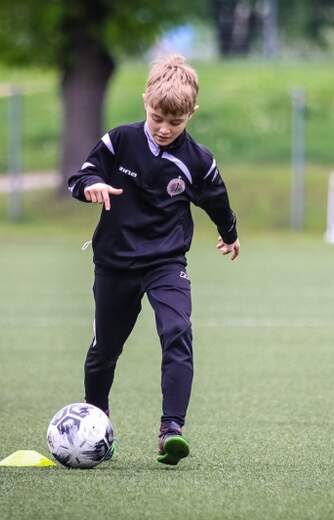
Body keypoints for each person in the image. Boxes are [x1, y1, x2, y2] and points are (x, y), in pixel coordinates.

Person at [68, 55, 240, 464]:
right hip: (115, 262)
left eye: (175, 122)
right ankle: (97, 425)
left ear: (191, 113)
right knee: (105, 349)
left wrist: (230, 233)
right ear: (146, 101)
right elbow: (80, 177)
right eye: (157, 117)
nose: (164, 128)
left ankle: (171, 430)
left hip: (166, 262)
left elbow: (217, 201)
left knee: (177, 331)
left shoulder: (198, 160)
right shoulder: (120, 141)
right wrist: (92, 186)